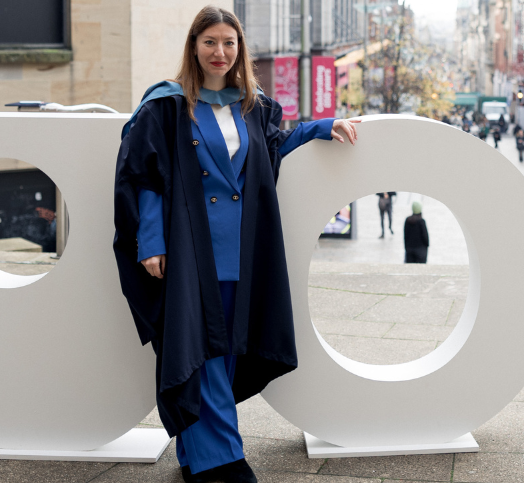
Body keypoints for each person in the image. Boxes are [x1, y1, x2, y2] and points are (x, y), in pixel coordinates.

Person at [111, 7, 362, 482]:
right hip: (190, 248)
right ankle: (221, 459)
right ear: (194, 47)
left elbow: (271, 147)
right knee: (195, 346)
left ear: (239, 49)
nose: (220, 52)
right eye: (210, 42)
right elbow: (146, 175)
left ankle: (195, 454)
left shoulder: (251, 105)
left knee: (222, 348)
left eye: (229, 43)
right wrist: (150, 241)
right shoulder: (167, 105)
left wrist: (321, 127)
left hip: (239, 249)